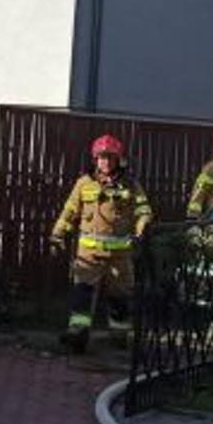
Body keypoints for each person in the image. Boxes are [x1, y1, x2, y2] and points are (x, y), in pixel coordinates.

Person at [49, 134, 152, 354]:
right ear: (95, 159)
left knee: (120, 298)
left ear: (118, 160)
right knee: (82, 294)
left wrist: (142, 228)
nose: (105, 162)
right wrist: (57, 234)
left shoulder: (131, 185)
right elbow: (70, 211)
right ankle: (77, 335)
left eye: (110, 158)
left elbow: (143, 210)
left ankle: (119, 337)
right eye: (101, 158)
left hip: (120, 256)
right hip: (89, 253)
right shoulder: (84, 184)